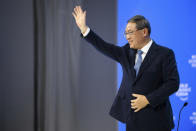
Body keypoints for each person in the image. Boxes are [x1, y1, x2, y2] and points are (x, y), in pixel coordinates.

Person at [72, 6, 180, 131]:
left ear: (144, 32)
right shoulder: (126, 52)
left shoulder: (165, 54)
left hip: (157, 120)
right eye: (125, 33)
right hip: (133, 120)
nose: (127, 37)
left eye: (130, 32)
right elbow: (105, 47)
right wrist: (85, 29)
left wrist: (148, 100)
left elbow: (173, 83)